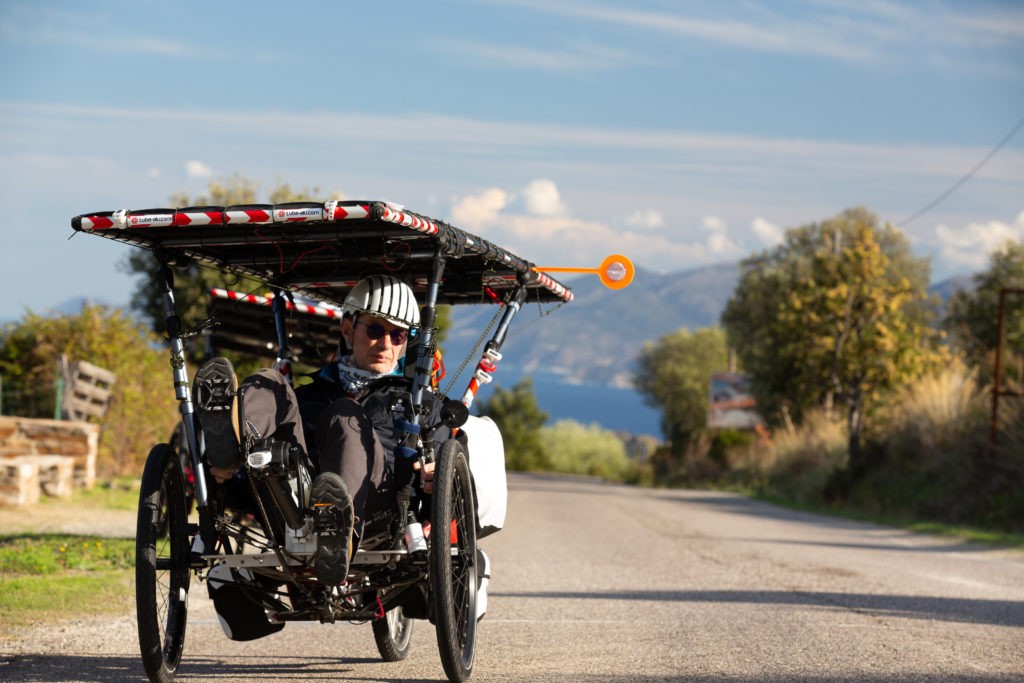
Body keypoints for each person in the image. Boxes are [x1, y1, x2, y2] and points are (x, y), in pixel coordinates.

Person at [192, 274, 434, 586]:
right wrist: (224, 477)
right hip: (295, 499)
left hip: (378, 506)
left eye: (397, 335)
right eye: (375, 329)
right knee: (271, 382)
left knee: (345, 416)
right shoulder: (310, 395)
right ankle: (230, 449)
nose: (385, 344)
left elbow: (444, 465)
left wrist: (434, 469)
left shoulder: (419, 402)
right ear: (347, 329)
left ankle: (339, 530)